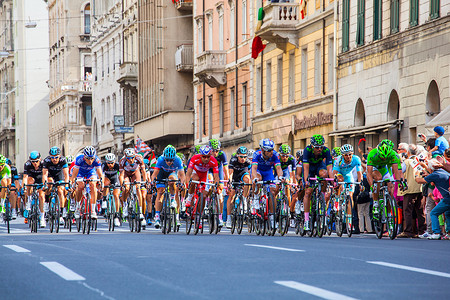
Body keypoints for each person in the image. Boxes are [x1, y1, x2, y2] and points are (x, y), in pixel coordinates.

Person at [302, 135, 333, 231]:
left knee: (324, 174)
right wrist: (306, 180)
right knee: (308, 192)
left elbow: (329, 168)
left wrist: (332, 181)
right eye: (317, 147)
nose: (319, 149)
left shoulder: (326, 151)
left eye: (321, 147)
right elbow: (305, 168)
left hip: (319, 166)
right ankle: (306, 220)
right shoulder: (307, 150)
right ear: (312, 146)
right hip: (310, 168)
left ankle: (322, 196)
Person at [366, 139, 406, 214]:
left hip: (384, 169)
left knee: (391, 187)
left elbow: (397, 171)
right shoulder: (372, 153)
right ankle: (375, 203)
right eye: (382, 157)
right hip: (375, 168)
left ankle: (389, 213)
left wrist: (400, 182)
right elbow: (369, 173)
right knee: (378, 178)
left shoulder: (393, 154)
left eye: (386, 157)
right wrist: (372, 186)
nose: (384, 159)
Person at [184, 145, 220, 229]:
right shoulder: (195, 158)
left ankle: (198, 217)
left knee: (204, 196)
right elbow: (188, 174)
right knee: (194, 179)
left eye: (208, 157)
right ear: (200, 155)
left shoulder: (213, 161)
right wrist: (188, 185)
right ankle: (189, 198)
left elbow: (216, 176)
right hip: (195, 172)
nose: (206, 159)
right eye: (204, 157)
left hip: (204, 175)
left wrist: (216, 185)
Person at [151, 145, 186, 229]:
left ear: (174, 159)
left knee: (173, 180)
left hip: (172, 173)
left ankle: (173, 198)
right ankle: (157, 216)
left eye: (171, 160)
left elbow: (182, 175)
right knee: (160, 192)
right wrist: (152, 182)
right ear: (164, 158)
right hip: (161, 173)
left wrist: (181, 183)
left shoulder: (178, 160)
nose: (169, 162)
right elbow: (154, 174)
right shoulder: (160, 159)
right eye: (167, 160)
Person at [251, 139, 284, 226]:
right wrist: (254, 178)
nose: (271, 152)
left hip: (268, 172)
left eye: (272, 149)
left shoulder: (275, 155)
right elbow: (254, 169)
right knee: (258, 178)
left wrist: (280, 177)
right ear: (262, 150)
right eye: (269, 150)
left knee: (273, 192)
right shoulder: (256, 154)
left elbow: (279, 168)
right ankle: (255, 197)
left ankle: (272, 218)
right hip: (258, 171)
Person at [415, 159, 450, 239]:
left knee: (433, 213)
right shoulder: (444, 171)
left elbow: (419, 181)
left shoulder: (434, 175)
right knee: (448, 214)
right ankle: (449, 233)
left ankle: (436, 232)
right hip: (448, 196)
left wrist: (416, 175)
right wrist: (425, 166)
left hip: (446, 198)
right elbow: (432, 171)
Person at [396, 144, 426, 238]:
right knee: (420, 210)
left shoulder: (407, 161)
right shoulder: (418, 161)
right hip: (419, 188)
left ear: (407, 152)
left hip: (409, 189)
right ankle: (422, 230)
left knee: (407, 210)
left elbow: (401, 171)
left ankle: (408, 231)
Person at [332, 144, 363, 227]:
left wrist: (360, 183)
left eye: (350, 154)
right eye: (346, 155)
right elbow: (334, 173)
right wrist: (336, 182)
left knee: (350, 197)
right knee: (340, 180)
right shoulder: (338, 159)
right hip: (339, 174)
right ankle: (337, 200)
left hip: (348, 176)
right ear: (342, 155)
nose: (348, 156)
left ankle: (349, 220)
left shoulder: (356, 159)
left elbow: (359, 173)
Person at [70, 146, 103, 220]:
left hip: (90, 172)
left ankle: (93, 210)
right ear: (84, 157)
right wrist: (73, 183)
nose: (90, 161)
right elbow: (74, 174)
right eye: (88, 158)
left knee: (93, 185)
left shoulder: (97, 160)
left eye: (92, 158)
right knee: (80, 186)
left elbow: (100, 174)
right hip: (80, 173)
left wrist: (101, 182)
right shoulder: (79, 159)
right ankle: (78, 207)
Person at [119, 148, 147, 227]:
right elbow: (121, 175)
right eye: (128, 158)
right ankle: (125, 205)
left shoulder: (139, 158)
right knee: (126, 188)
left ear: (134, 156)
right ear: (126, 157)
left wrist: (145, 182)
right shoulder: (122, 161)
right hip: (126, 174)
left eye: (132, 158)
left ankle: (141, 212)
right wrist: (122, 185)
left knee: (138, 188)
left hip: (135, 172)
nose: (130, 160)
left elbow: (143, 171)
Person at [42, 146, 69, 225]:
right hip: (50, 174)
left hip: (59, 175)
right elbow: (44, 174)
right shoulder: (46, 161)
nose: (54, 159)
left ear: (59, 156)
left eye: (56, 157)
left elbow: (66, 174)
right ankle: (46, 203)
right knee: (49, 183)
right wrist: (45, 184)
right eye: (52, 157)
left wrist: (66, 185)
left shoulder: (63, 160)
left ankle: (61, 213)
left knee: (61, 190)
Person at [226, 146, 252, 228]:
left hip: (242, 174)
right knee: (232, 195)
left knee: (248, 181)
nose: (243, 159)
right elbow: (230, 173)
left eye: (245, 157)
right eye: (241, 156)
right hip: (234, 175)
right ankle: (229, 218)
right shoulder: (233, 160)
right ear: (237, 155)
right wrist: (230, 181)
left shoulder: (248, 162)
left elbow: (250, 173)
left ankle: (244, 199)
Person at [209, 139, 229, 227]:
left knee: (220, 192)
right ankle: (208, 201)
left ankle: (220, 217)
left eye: (217, 150)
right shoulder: (207, 154)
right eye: (213, 151)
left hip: (218, 169)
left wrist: (227, 180)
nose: (215, 153)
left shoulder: (222, 154)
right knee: (209, 183)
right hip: (209, 169)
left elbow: (225, 168)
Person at [101, 153, 121, 227]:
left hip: (114, 178)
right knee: (105, 183)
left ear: (114, 161)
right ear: (106, 162)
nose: (110, 165)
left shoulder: (117, 165)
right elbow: (102, 175)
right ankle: (104, 199)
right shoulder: (103, 165)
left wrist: (122, 184)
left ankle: (116, 216)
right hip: (106, 177)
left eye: (112, 163)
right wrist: (102, 185)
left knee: (116, 195)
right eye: (108, 163)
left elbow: (121, 175)